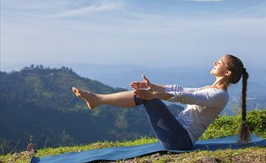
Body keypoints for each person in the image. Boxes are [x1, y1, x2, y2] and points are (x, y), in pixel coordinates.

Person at [72, 54, 249, 150]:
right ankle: (97, 99)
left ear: (227, 73)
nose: (214, 62)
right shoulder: (211, 89)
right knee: (147, 95)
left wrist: (154, 94)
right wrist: (154, 86)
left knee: (149, 99)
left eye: (219, 62)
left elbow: (187, 98)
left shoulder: (220, 96)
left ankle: (97, 99)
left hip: (180, 141)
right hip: (177, 134)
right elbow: (182, 90)